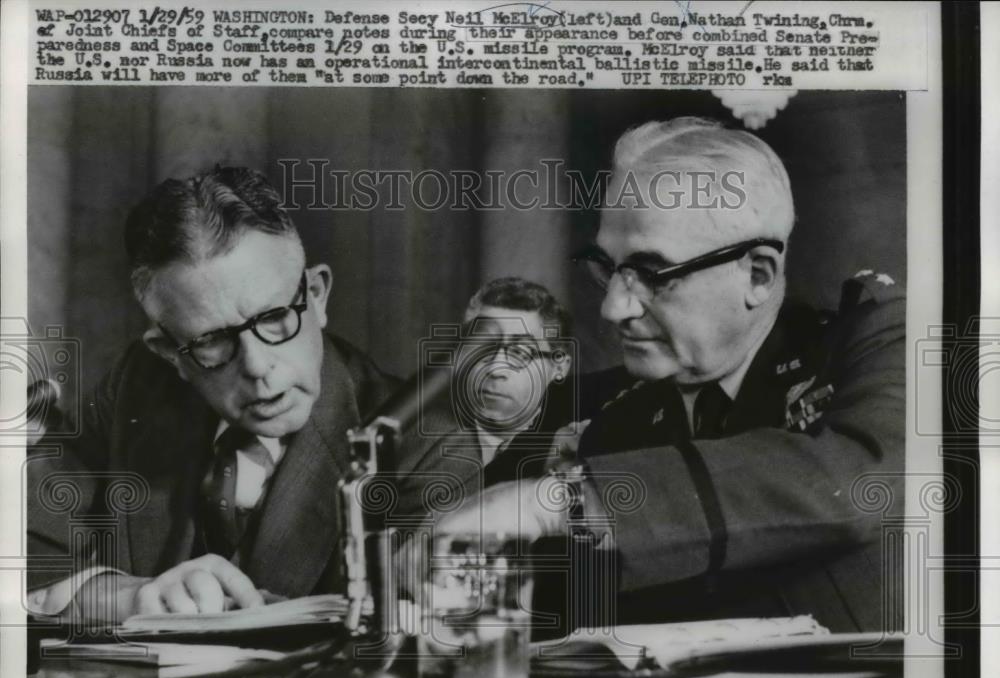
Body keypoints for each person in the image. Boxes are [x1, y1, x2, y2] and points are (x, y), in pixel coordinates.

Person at [427, 117, 906, 633]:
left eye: (652, 275)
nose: (613, 308)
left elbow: (862, 480)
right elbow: (547, 602)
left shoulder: (879, 340)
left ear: (757, 274)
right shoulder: (606, 411)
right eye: (607, 269)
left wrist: (557, 502)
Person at [26, 166, 397, 622]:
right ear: (170, 354)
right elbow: (21, 545)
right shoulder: (136, 387)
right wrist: (132, 597)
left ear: (317, 295)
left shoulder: (418, 434)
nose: (258, 368)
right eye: (211, 342)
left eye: (275, 317)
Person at [394, 277, 573, 516]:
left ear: (559, 366)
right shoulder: (411, 435)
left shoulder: (569, 448)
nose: (495, 368)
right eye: (482, 347)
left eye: (521, 352)